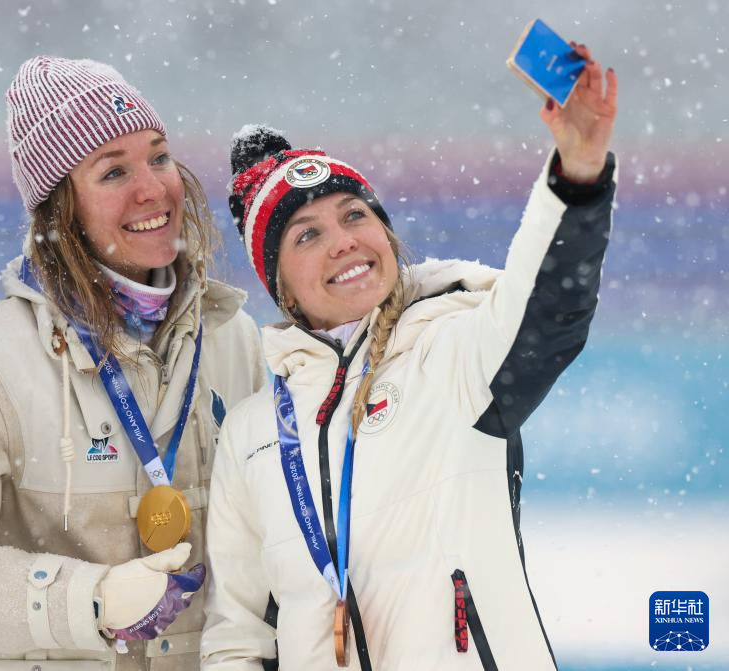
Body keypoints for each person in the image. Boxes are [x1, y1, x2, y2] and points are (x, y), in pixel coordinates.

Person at [202, 44, 617, 669]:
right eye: (308, 234)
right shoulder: (252, 433)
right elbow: (237, 636)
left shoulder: (450, 352)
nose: (344, 242)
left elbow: (547, 308)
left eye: (355, 215)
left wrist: (576, 174)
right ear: (280, 286)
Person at [0, 57, 266, 670]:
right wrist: (89, 600)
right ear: (62, 209)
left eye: (159, 157)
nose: (153, 189)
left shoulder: (234, 338)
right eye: (114, 171)